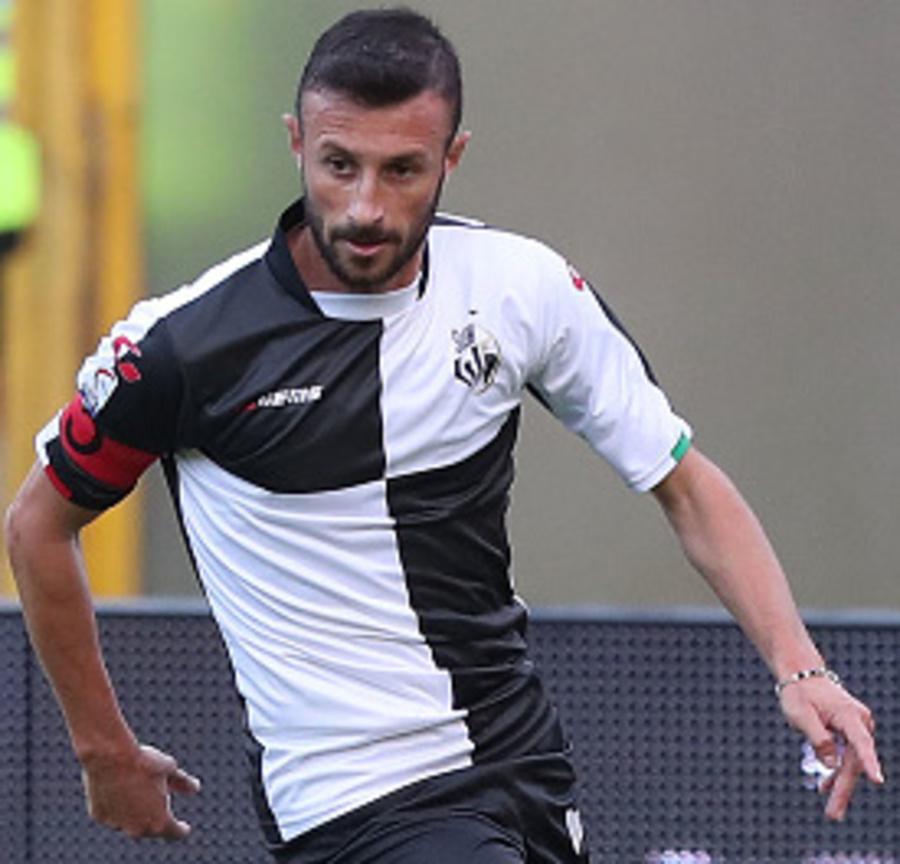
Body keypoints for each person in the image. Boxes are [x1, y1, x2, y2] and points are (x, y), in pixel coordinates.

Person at [4, 8, 883, 863]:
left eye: (402, 171)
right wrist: (102, 749)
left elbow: (682, 482)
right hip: (352, 800)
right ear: (296, 143)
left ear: (453, 158)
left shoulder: (520, 289)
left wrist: (800, 668)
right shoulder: (183, 347)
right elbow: (38, 526)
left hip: (523, 765)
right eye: (339, 165)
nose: (364, 207)